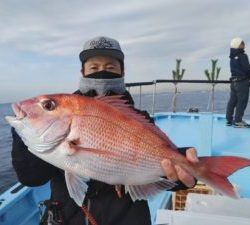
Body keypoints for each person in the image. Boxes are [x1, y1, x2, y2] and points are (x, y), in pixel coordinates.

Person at [11, 36, 198, 225]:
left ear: (122, 71)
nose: (101, 72)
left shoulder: (138, 118)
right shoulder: (61, 123)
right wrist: (25, 131)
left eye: (110, 67)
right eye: (94, 67)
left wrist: (183, 173)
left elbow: (158, 161)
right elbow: (32, 178)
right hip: (68, 217)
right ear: (82, 71)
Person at [226, 37, 250, 128]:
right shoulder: (243, 56)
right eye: (242, 43)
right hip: (242, 82)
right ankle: (238, 121)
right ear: (238, 45)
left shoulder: (232, 57)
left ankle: (229, 120)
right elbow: (246, 69)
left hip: (233, 82)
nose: (244, 45)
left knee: (232, 101)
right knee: (242, 102)